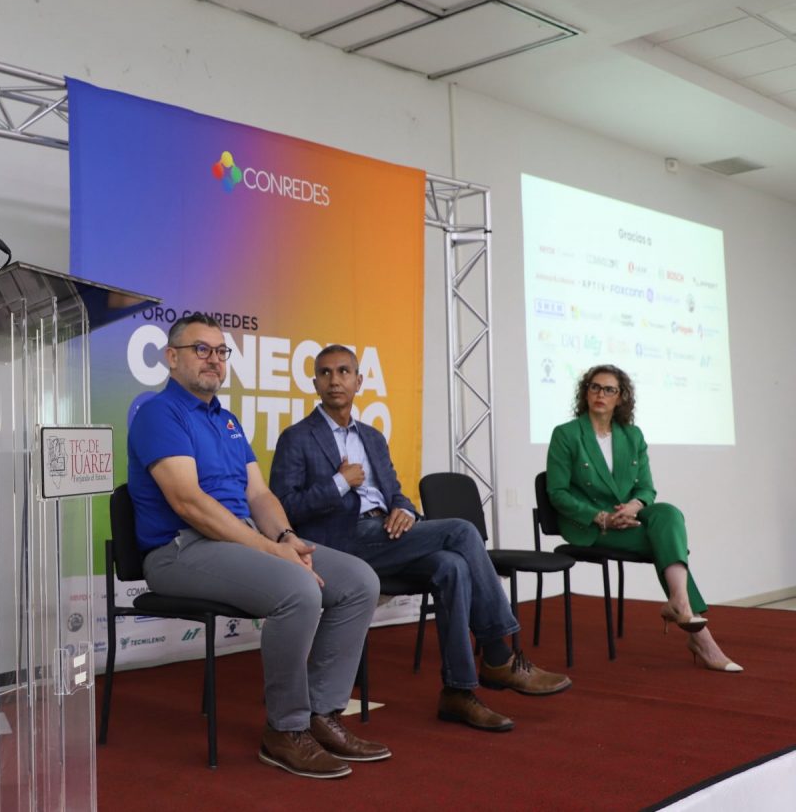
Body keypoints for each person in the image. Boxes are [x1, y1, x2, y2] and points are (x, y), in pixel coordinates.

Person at [128, 315, 387, 779]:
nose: (213, 359)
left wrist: (286, 538)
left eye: (220, 351)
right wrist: (270, 551)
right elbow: (189, 503)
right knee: (298, 589)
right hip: (180, 550)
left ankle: (322, 714)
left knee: (359, 581)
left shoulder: (227, 420)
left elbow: (260, 495)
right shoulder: (158, 413)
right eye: (201, 349)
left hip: (239, 539)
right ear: (171, 357)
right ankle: (285, 731)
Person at [270, 345, 571, 733]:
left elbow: (395, 493)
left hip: (385, 534)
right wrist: (339, 483)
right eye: (325, 373)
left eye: (343, 371)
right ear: (315, 384)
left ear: (358, 381)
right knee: (462, 531)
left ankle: (458, 692)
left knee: (452, 565)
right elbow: (285, 507)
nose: (334, 380)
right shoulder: (297, 437)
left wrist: (405, 511)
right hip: (340, 543)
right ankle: (499, 654)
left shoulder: (372, 438)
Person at [546, 364, 741, 672]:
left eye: (609, 389)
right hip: (590, 525)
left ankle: (679, 602)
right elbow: (557, 493)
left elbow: (647, 488)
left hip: (627, 518)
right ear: (585, 393)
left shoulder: (632, 435)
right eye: (594, 387)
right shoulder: (567, 434)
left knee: (668, 513)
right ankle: (700, 636)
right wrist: (602, 517)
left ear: (621, 397)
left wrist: (634, 506)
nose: (600, 394)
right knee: (665, 542)